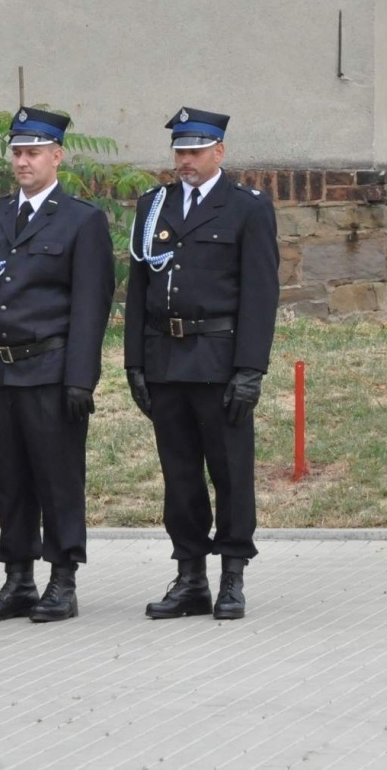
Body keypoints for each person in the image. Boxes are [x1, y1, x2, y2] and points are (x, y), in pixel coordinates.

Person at [0, 107, 116, 624]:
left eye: (33, 153)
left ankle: (62, 578)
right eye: (17, 153)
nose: (23, 161)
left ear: (56, 156)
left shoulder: (81, 219)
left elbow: (90, 306)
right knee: (11, 479)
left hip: (50, 367)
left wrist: (81, 377)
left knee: (57, 477)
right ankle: (18, 577)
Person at [124, 108, 279, 620]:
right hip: (165, 359)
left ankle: (232, 575)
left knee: (230, 472)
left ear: (219, 151)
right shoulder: (154, 206)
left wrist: (250, 370)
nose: (185, 161)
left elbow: (260, 294)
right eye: (180, 151)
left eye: (195, 151)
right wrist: (134, 363)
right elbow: (139, 287)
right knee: (180, 475)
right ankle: (190, 576)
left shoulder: (247, 207)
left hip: (219, 359)